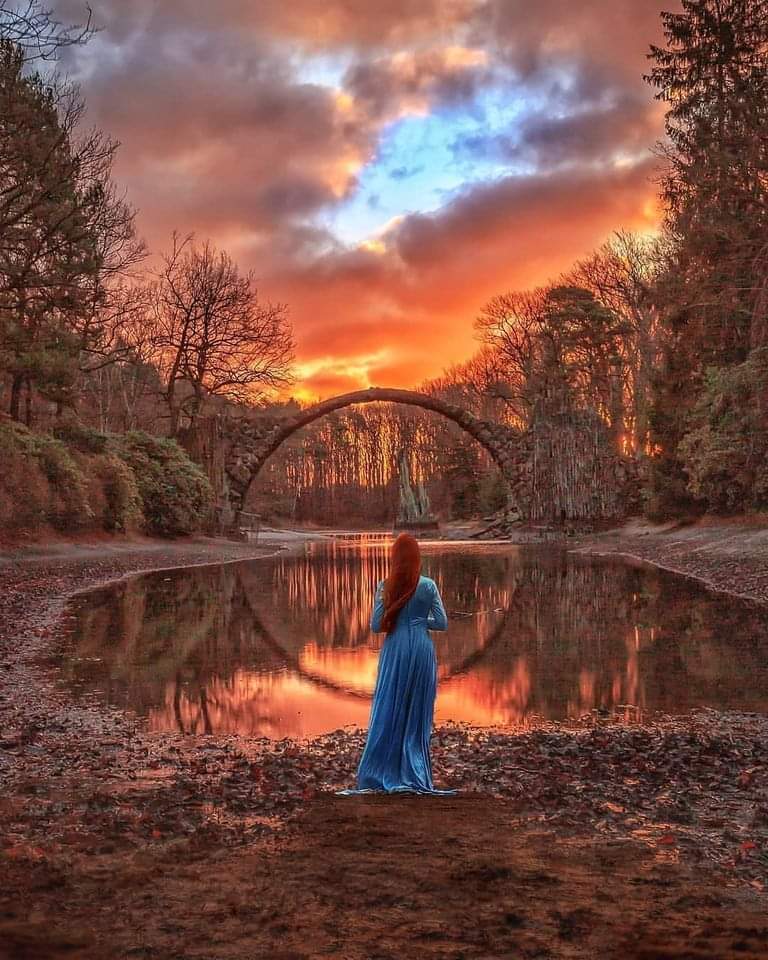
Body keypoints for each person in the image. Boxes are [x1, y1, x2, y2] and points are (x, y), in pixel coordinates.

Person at [340, 532, 456, 795]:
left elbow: (375, 626)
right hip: (422, 651)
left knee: (391, 705)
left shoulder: (385, 586)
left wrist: (400, 622)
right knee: (417, 710)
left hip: (396, 649)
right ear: (417, 558)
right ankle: (414, 770)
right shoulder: (428, 586)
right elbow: (442, 623)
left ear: (394, 558)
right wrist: (419, 622)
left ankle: (382, 769)